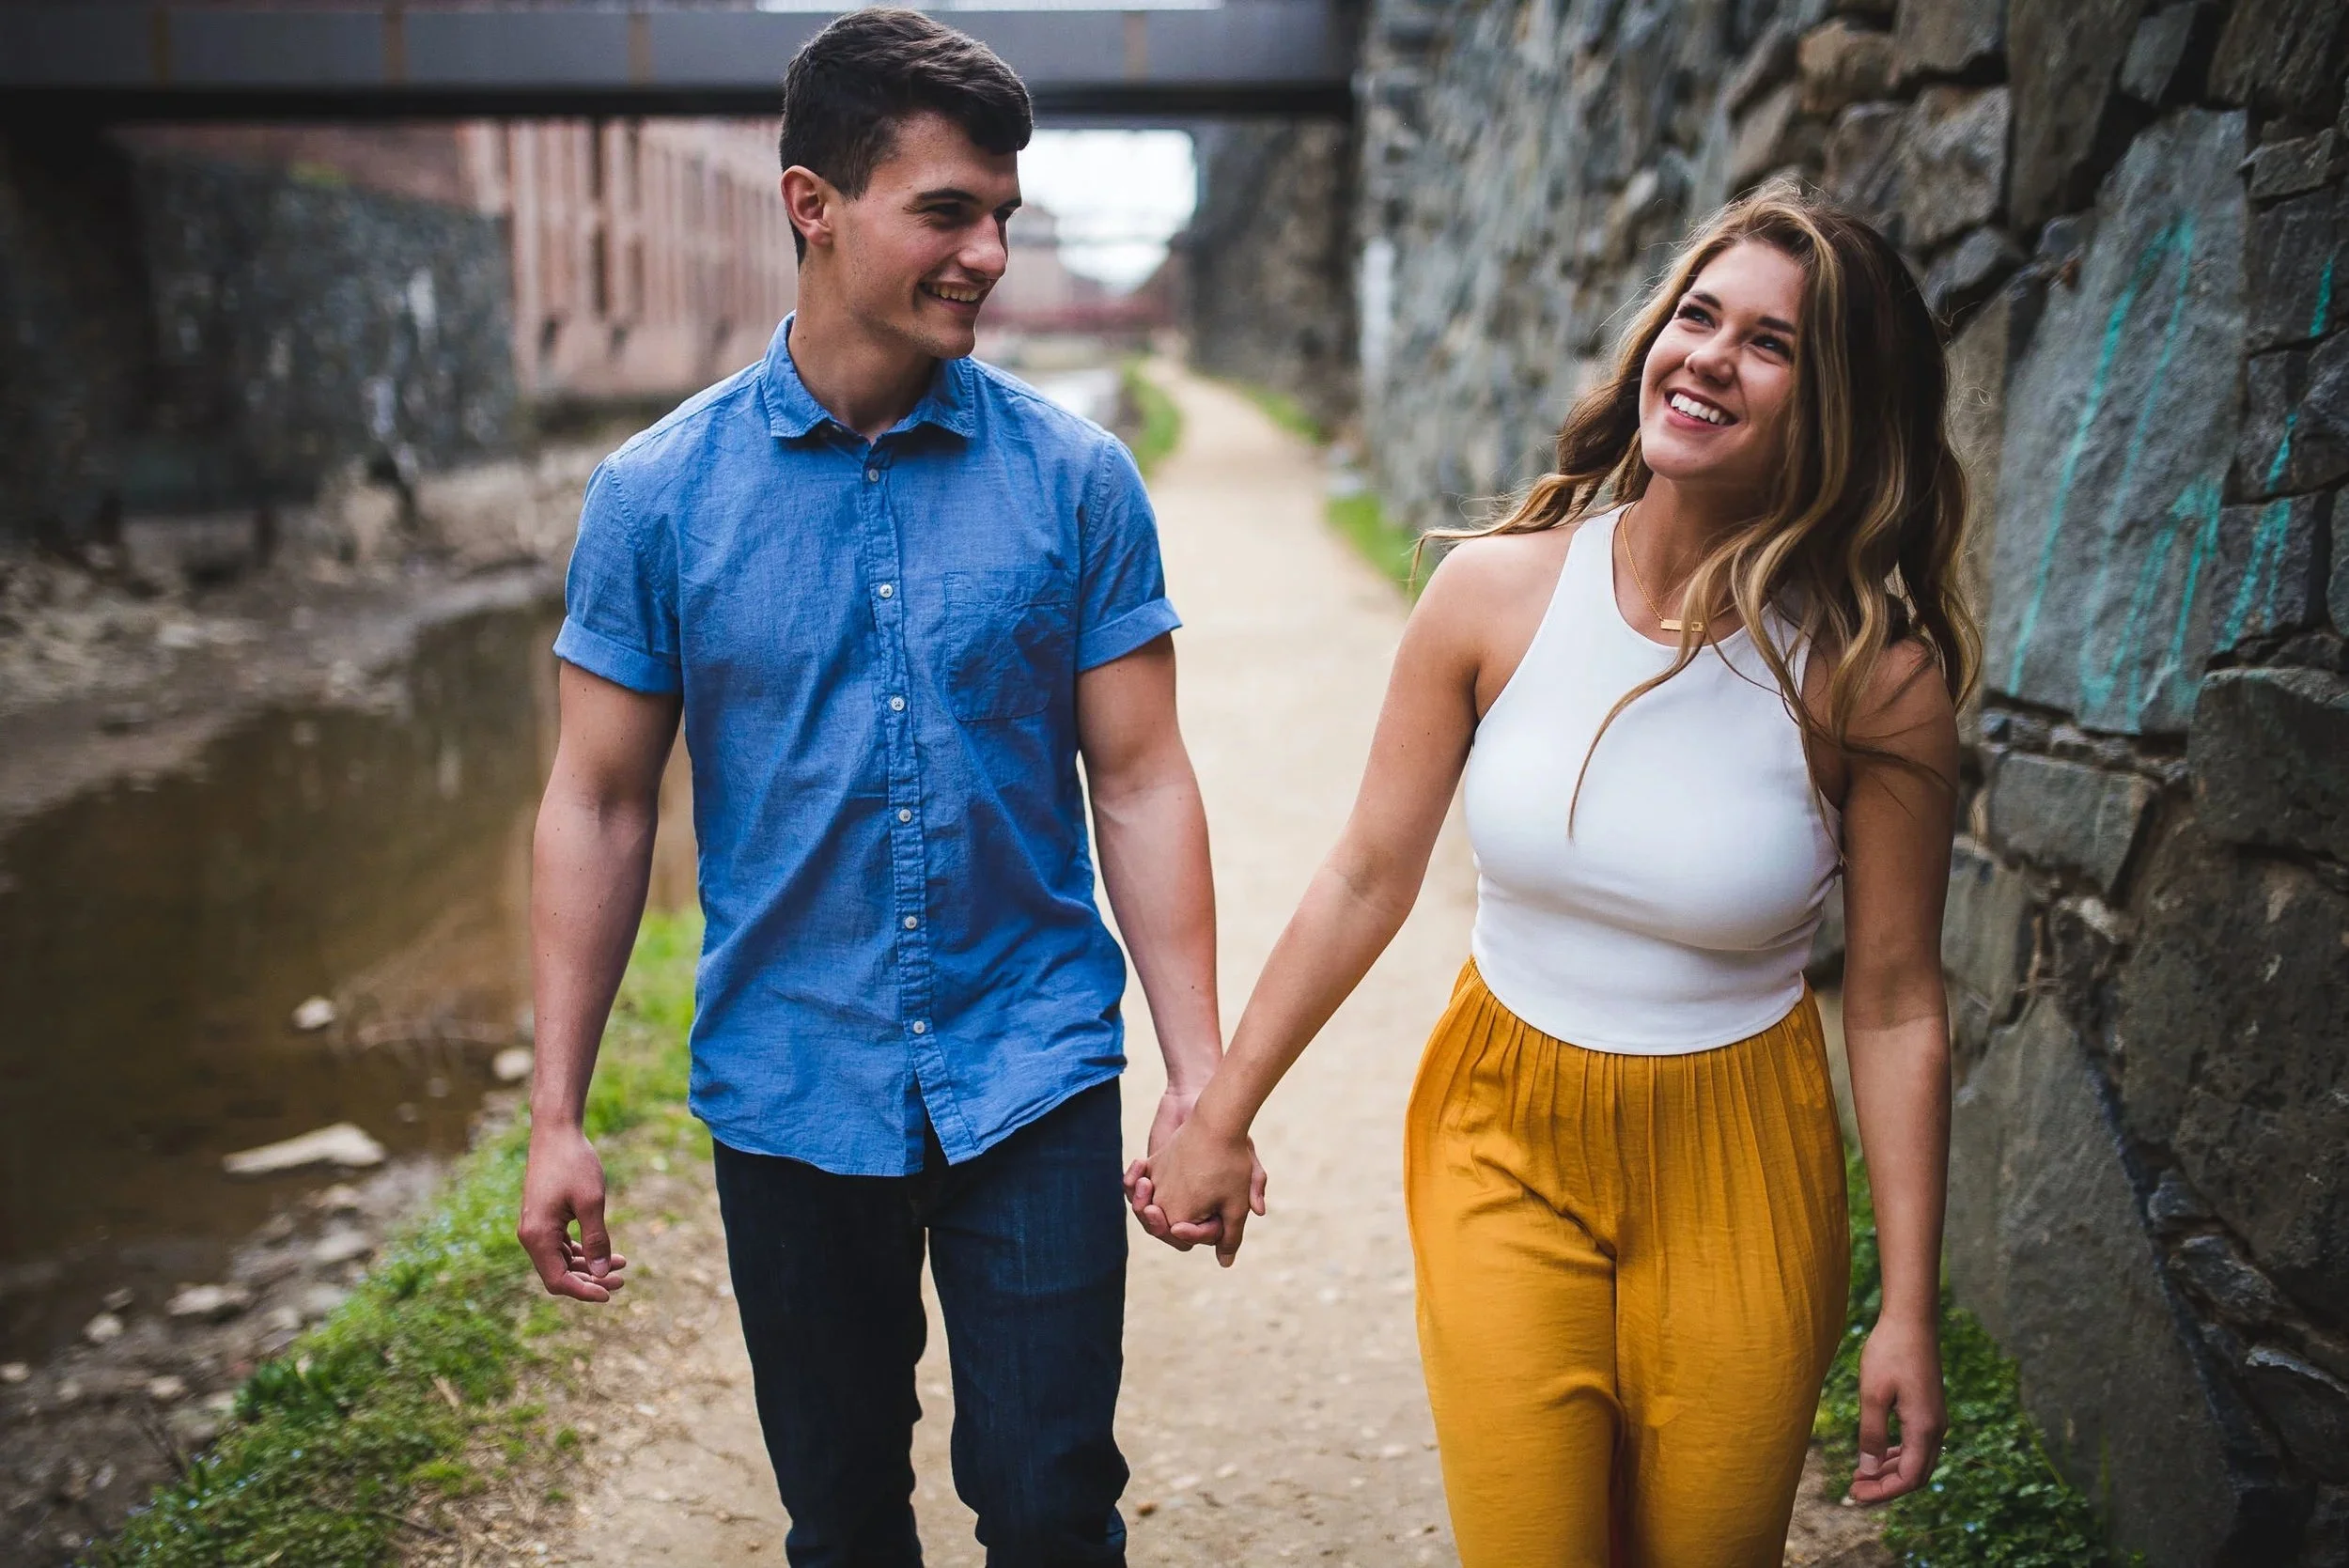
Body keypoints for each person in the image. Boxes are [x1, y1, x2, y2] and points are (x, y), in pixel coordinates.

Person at [1127, 182, 1974, 1566]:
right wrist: (1218, 1112)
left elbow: (1891, 1002)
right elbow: (1363, 877)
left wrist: (1911, 1310)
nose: (1707, 354)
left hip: (1741, 1162)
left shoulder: (1873, 681)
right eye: (1697, 314)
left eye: (1771, 344)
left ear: (1839, 408)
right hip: (1501, 1131)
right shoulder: (1493, 595)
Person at [517, 10, 1250, 1563]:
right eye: (947, 212)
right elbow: (597, 803)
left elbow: (1139, 780)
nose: (988, 251)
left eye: (1004, 216)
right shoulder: (657, 498)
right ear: (813, 205)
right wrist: (555, 1114)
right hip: (788, 1087)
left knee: (1054, 1505)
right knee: (842, 1518)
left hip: (1033, 1069)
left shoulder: (1075, 480)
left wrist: (1200, 1080)